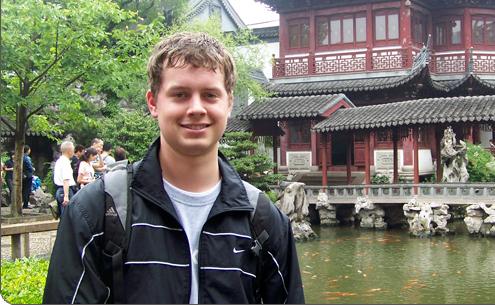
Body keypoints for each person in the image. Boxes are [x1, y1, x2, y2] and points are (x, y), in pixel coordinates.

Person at [43, 32, 304, 304]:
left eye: (210, 95)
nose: (196, 108)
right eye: (180, 94)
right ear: (153, 102)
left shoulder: (263, 220)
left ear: (228, 103)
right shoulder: (98, 212)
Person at [53, 141, 75, 217]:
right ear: (69, 151)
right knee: (68, 216)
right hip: (65, 190)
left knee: (64, 215)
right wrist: (66, 196)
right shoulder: (65, 162)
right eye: (73, 150)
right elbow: (66, 180)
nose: (73, 152)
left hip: (60, 189)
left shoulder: (59, 161)